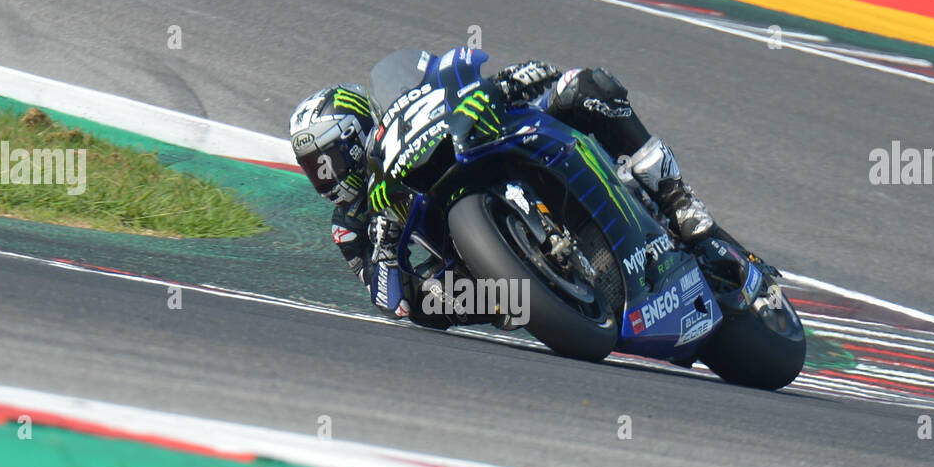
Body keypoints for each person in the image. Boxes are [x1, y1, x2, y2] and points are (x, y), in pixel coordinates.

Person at [288, 55, 715, 323]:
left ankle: (677, 200)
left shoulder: (399, 135)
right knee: (427, 303)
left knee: (585, 87)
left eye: (329, 161)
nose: (327, 178)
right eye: (315, 170)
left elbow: (447, 85)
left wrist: (502, 84)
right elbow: (390, 304)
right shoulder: (348, 227)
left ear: (357, 135)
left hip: (482, 158)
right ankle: (523, 297)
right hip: (474, 268)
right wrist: (383, 249)